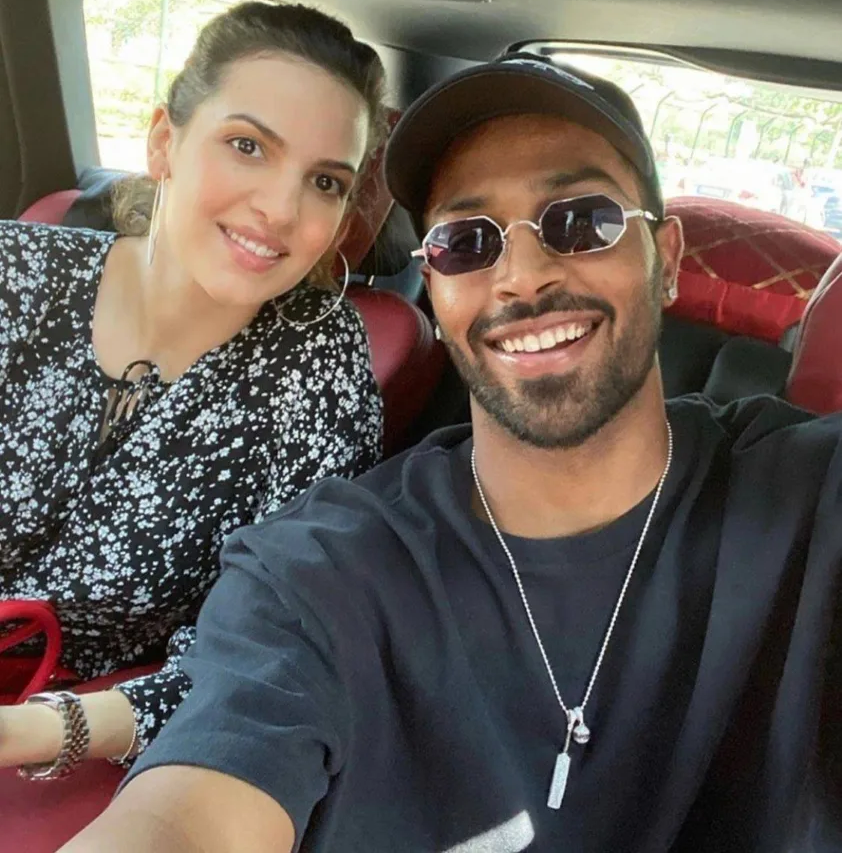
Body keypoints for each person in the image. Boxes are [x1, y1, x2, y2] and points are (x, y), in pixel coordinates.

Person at [64, 55, 842, 852]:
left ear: (667, 259)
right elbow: (187, 815)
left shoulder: (811, 500)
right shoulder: (323, 571)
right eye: (467, 242)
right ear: (433, 288)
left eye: (582, 220)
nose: (523, 276)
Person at [0, 1, 386, 779]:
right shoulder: (15, 273)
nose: (281, 210)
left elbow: (285, 651)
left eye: (324, 181)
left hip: (78, 741)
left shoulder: (320, 370)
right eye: (247, 146)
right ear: (164, 141)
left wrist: (48, 731)